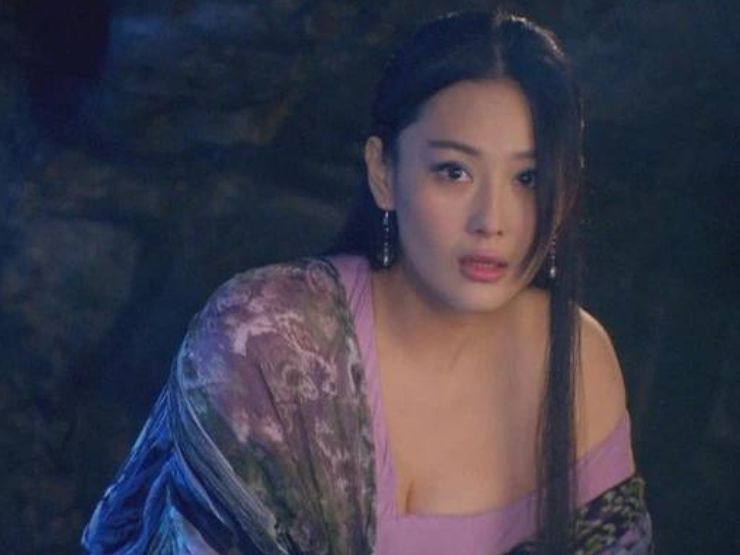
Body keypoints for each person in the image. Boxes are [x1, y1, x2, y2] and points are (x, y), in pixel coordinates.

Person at [81, 10, 653, 555]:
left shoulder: (578, 359)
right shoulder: (264, 338)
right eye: (454, 172)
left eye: (527, 178)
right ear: (383, 173)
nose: (492, 221)